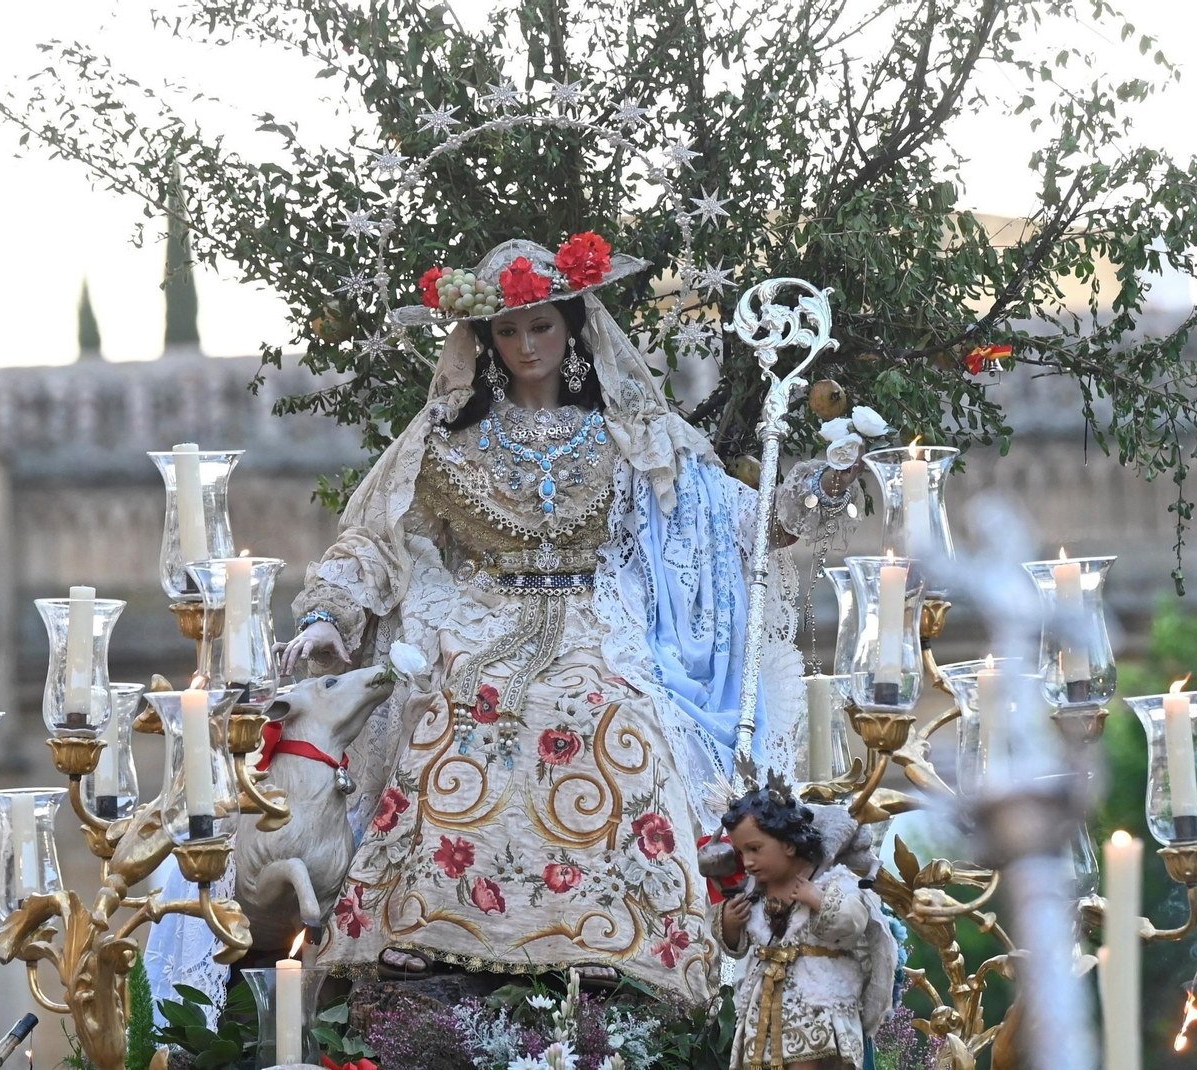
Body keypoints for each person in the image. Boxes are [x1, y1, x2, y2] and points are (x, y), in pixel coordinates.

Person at [278, 234, 804, 1001]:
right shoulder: (446, 440)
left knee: (606, 711)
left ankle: (615, 929)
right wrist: (331, 610)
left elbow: (717, 516)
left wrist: (807, 498)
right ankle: (428, 920)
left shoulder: (628, 430)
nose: (528, 345)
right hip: (482, 617)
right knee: (462, 707)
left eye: (542, 326)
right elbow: (378, 537)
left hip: (600, 619)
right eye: (509, 331)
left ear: (572, 328)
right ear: (484, 341)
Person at [714, 785, 896, 1069]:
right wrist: (730, 925)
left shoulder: (831, 880)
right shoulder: (753, 892)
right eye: (741, 852)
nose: (747, 862)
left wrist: (821, 901)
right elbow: (740, 948)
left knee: (808, 1061)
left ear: (788, 843)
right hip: (765, 1003)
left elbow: (854, 922)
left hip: (817, 1001)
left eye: (755, 849)